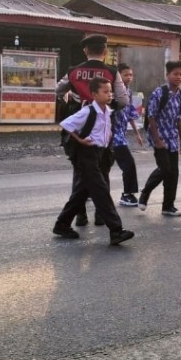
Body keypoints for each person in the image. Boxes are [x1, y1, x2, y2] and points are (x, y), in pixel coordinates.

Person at [55, 34, 129, 227]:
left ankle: (80, 216)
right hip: (102, 127)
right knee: (102, 170)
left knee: (80, 173)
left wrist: (73, 97)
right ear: (105, 52)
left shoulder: (73, 71)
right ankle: (100, 215)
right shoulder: (112, 72)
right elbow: (122, 100)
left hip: (81, 128)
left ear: (85, 51)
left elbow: (58, 90)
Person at [52, 77, 135, 246]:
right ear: (94, 94)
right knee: (101, 190)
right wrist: (80, 140)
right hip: (86, 154)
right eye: (105, 91)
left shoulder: (107, 112)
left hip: (100, 154)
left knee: (81, 193)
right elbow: (67, 124)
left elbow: (105, 130)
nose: (110, 94)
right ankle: (116, 230)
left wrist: (108, 136)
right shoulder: (88, 111)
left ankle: (62, 224)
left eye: (110, 91)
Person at [138, 60, 181, 216]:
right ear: (167, 75)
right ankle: (145, 192)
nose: (178, 77)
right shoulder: (160, 93)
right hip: (159, 137)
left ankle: (168, 206)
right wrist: (157, 139)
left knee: (174, 173)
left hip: (172, 138)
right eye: (175, 74)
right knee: (165, 168)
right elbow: (151, 116)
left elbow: (180, 119)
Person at [112, 62, 145, 207]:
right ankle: (127, 194)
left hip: (121, 135)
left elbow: (131, 115)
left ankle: (87, 190)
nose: (129, 77)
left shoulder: (129, 93)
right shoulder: (112, 93)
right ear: (118, 76)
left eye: (131, 75)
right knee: (128, 164)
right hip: (113, 136)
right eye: (126, 75)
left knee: (100, 167)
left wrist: (137, 134)